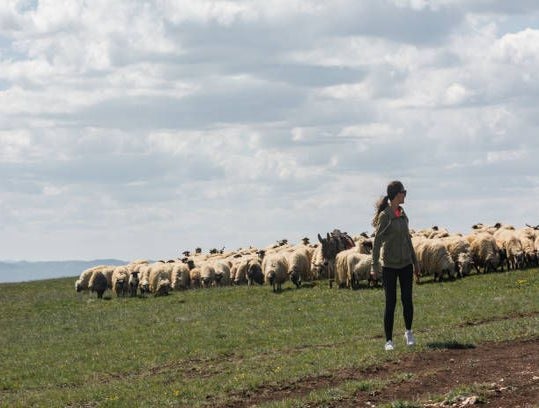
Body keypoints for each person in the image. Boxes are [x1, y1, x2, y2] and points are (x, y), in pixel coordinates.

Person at [371, 180, 420, 351]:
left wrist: (415, 262)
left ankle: (408, 332)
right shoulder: (386, 217)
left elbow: (408, 239)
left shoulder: (402, 214)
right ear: (396, 195)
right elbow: (377, 242)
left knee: (407, 300)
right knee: (390, 302)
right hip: (390, 266)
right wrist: (374, 265)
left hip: (405, 263)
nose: (405, 195)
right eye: (403, 192)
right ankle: (389, 340)